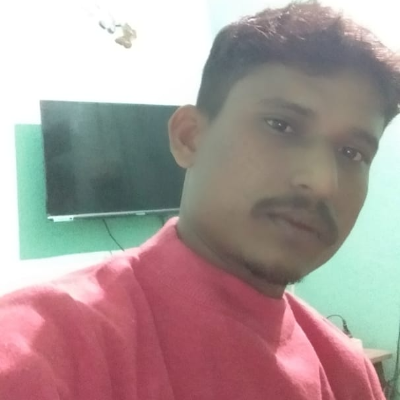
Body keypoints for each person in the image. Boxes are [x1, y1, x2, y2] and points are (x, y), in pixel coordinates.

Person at [1, 2, 399, 399]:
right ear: (189, 137)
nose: (321, 181)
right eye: (281, 126)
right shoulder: (40, 352)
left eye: (352, 153)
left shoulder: (348, 373)